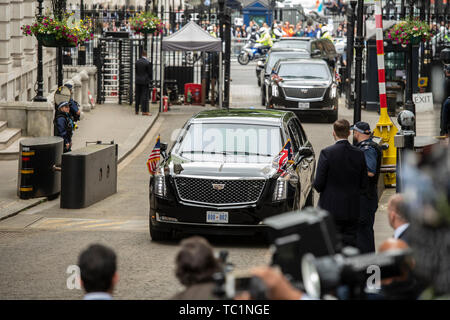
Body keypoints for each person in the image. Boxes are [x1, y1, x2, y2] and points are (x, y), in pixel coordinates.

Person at [313, 119, 368, 247]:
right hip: (351, 208)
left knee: (331, 244)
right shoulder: (359, 154)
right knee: (350, 244)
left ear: (334, 133)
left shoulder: (327, 153)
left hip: (330, 208)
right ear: (349, 133)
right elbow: (364, 184)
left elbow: (318, 184)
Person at [351, 121, 382, 253]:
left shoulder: (367, 149)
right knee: (363, 232)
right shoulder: (366, 146)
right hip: (366, 196)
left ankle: (368, 265)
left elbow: (370, 171)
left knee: (364, 233)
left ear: (357, 133)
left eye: (354, 132)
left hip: (366, 197)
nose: (353, 134)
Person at [135, 49, 152, 116]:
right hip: (145, 82)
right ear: (146, 55)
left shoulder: (137, 62)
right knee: (144, 96)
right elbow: (150, 73)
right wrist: (149, 80)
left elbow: (136, 71)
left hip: (138, 81)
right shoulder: (147, 63)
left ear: (141, 55)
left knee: (137, 96)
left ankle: (136, 110)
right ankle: (144, 111)